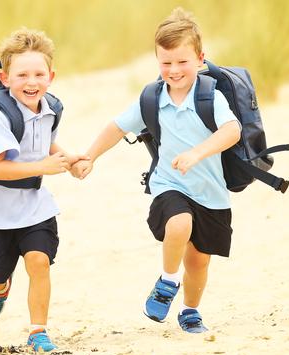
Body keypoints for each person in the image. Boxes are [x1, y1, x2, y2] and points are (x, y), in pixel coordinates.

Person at [71, 8, 241, 333]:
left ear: (200, 59)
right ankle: (167, 282)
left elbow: (231, 131)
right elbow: (117, 128)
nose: (174, 70)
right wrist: (90, 156)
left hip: (211, 193)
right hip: (169, 184)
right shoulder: (152, 98)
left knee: (199, 261)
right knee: (179, 224)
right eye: (166, 63)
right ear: (157, 61)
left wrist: (197, 152)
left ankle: (190, 311)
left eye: (182, 61)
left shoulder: (210, 96)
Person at [0, 28, 86, 352]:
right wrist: (42, 167)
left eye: (38, 74)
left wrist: (69, 160)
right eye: (22, 75)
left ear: (51, 76)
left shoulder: (51, 109)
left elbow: (44, 143)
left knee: (39, 262)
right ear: (5, 78)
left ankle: (38, 331)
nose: (31, 82)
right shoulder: (0, 118)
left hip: (34, 206)